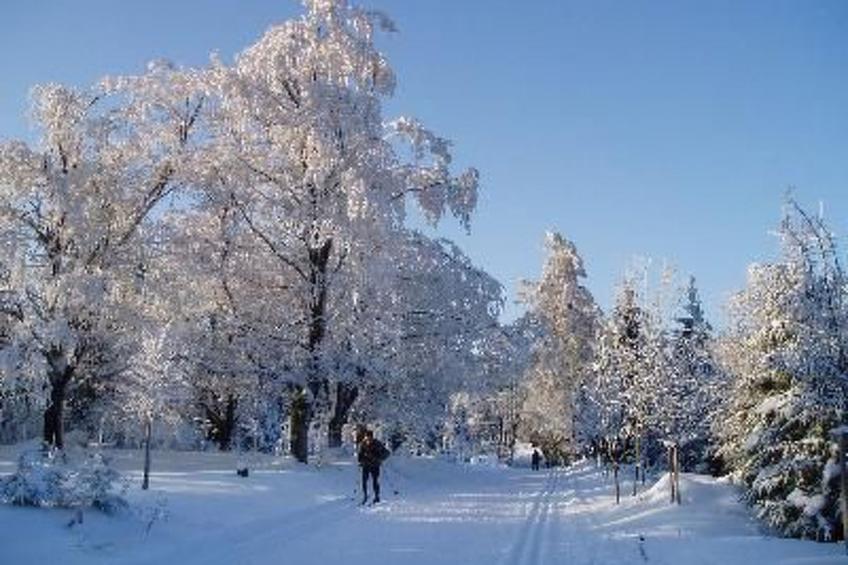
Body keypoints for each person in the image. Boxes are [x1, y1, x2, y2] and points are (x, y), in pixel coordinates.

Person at [358, 429, 390, 505]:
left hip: (375, 465)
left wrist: (379, 459)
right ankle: (365, 496)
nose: (368, 439)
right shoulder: (363, 444)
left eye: (370, 437)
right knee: (364, 481)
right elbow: (360, 454)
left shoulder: (377, 443)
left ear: (372, 437)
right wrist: (361, 460)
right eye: (367, 437)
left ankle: (376, 496)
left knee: (375, 481)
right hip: (366, 465)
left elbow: (387, 453)